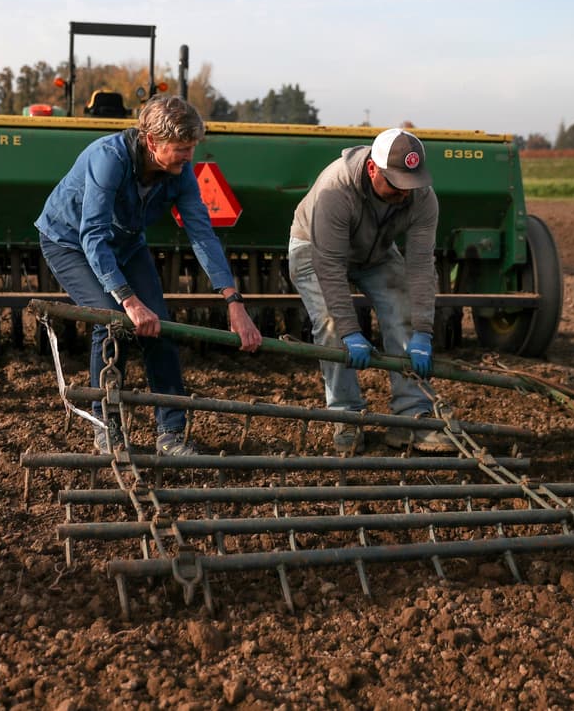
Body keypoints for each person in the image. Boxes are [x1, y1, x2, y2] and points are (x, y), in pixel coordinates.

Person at [36, 97, 263, 455]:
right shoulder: (109, 159)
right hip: (69, 243)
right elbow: (92, 235)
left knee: (160, 327)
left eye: (192, 148)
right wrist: (128, 300)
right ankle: (105, 425)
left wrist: (233, 301)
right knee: (111, 322)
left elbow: (201, 233)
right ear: (152, 142)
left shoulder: (181, 173)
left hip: (125, 243)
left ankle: (170, 433)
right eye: (181, 148)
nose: (189, 156)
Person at [288, 128, 445, 455]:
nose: (404, 193)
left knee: (403, 311)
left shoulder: (423, 197)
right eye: (395, 184)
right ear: (372, 168)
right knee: (331, 324)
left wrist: (423, 331)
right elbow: (329, 266)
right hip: (315, 248)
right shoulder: (336, 188)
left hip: (375, 253)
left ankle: (412, 415)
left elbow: (419, 265)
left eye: (410, 183)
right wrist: (350, 331)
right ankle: (346, 415)